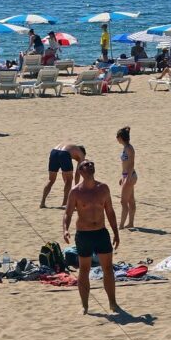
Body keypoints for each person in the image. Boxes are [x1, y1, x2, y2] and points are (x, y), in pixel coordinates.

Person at [62, 160, 120, 313]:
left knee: (108, 268)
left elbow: (110, 212)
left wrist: (116, 232)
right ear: (80, 171)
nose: (90, 166)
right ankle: (85, 305)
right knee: (84, 269)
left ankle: (112, 303)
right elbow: (67, 213)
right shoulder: (76, 192)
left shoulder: (103, 188)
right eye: (86, 165)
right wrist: (65, 229)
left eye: (92, 164)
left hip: (101, 232)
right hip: (84, 235)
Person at [41, 143, 87, 208]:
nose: (76, 160)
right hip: (64, 154)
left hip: (54, 152)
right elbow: (78, 173)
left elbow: (64, 172)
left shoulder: (71, 148)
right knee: (69, 180)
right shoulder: (81, 154)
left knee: (51, 180)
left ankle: (42, 203)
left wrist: (66, 183)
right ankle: (64, 204)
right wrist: (76, 186)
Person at [117, 127, 138, 230]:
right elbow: (125, 163)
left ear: (120, 137)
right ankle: (130, 223)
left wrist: (127, 177)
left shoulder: (129, 148)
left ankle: (121, 225)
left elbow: (132, 162)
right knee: (130, 200)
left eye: (117, 137)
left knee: (123, 201)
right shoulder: (126, 147)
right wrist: (123, 176)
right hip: (127, 175)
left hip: (130, 175)